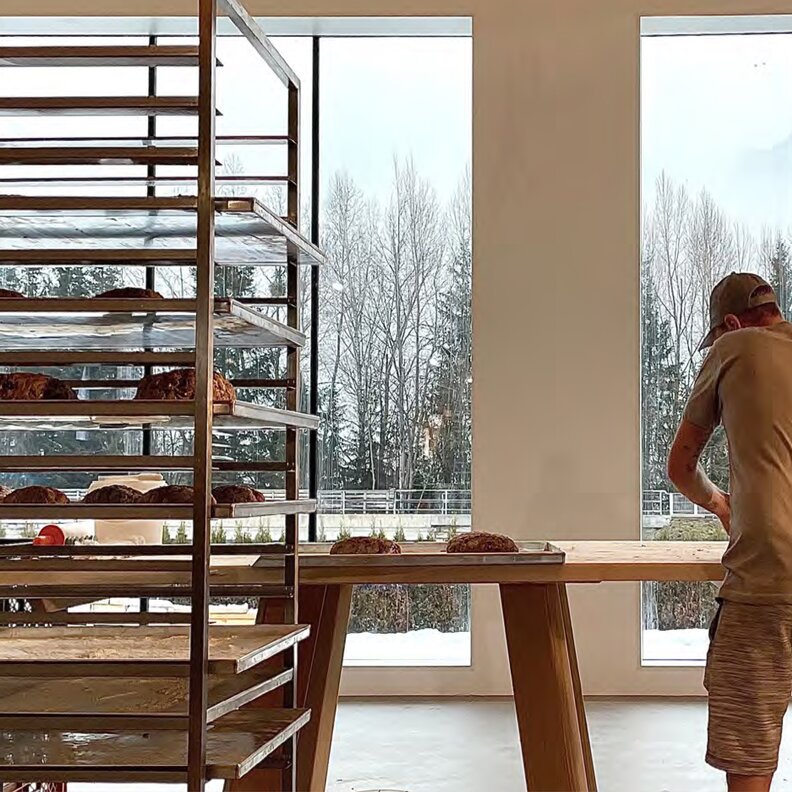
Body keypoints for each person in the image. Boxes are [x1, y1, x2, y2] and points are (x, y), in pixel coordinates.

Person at [668, 272, 792, 792]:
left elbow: (681, 467)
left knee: (750, 761)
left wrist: (720, 503)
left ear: (734, 324)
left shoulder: (733, 348)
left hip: (767, 581)